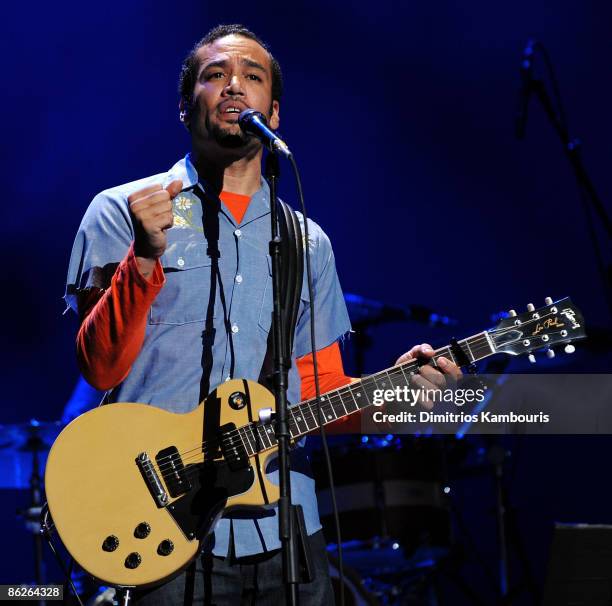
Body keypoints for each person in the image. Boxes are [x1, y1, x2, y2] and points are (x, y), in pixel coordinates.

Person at [65, 24, 461, 605]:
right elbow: (99, 367)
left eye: (252, 77)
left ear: (272, 115)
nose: (234, 86)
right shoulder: (122, 210)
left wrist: (404, 393)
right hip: (162, 525)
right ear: (184, 105)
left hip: (284, 531)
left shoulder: (307, 242)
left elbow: (320, 392)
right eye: (215, 75)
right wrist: (144, 259)